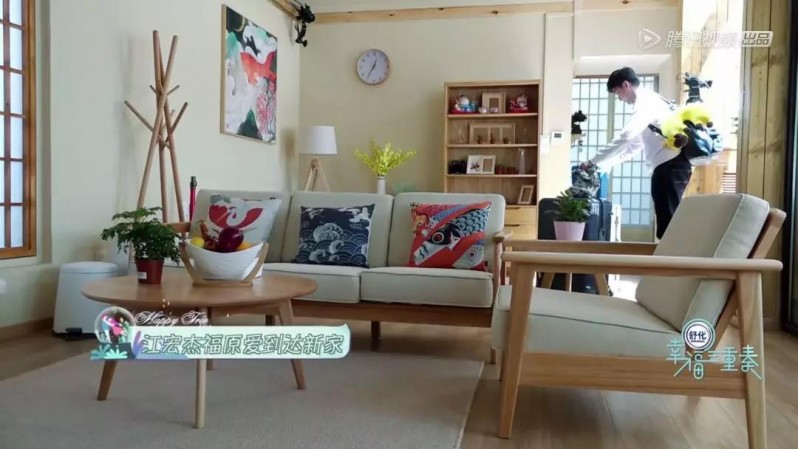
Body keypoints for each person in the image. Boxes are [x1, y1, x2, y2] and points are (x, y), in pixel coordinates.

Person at [580, 67, 693, 240]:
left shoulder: (645, 102)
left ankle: (673, 256)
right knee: (666, 218)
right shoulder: (651, 100)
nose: (620, 98)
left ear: (626, 85)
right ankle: (669, 254)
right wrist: (605, 164)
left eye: (618, 93)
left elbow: (626, 136)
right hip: (668, 165)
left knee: (669, 220)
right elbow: (635, 145)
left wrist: (592, 161)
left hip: (670, 165)